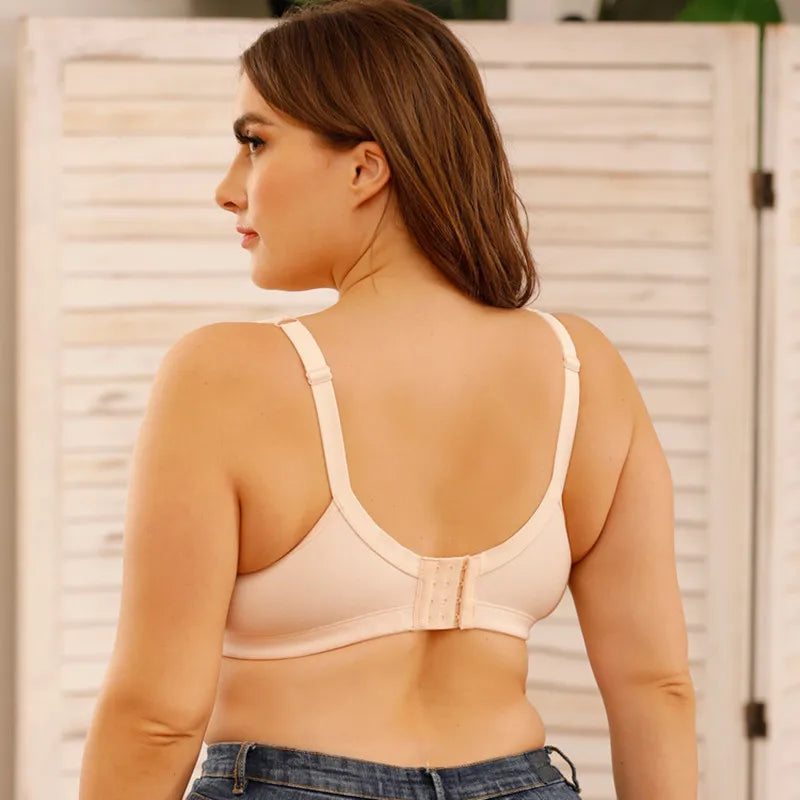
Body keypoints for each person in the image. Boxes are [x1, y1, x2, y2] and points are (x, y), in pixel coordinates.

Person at [78, 1, 697, 799]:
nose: (228, 191)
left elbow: (156, 717)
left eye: (255, 143)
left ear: (365, 168)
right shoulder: (584, 371)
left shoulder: (226, 374)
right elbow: (656, 687)